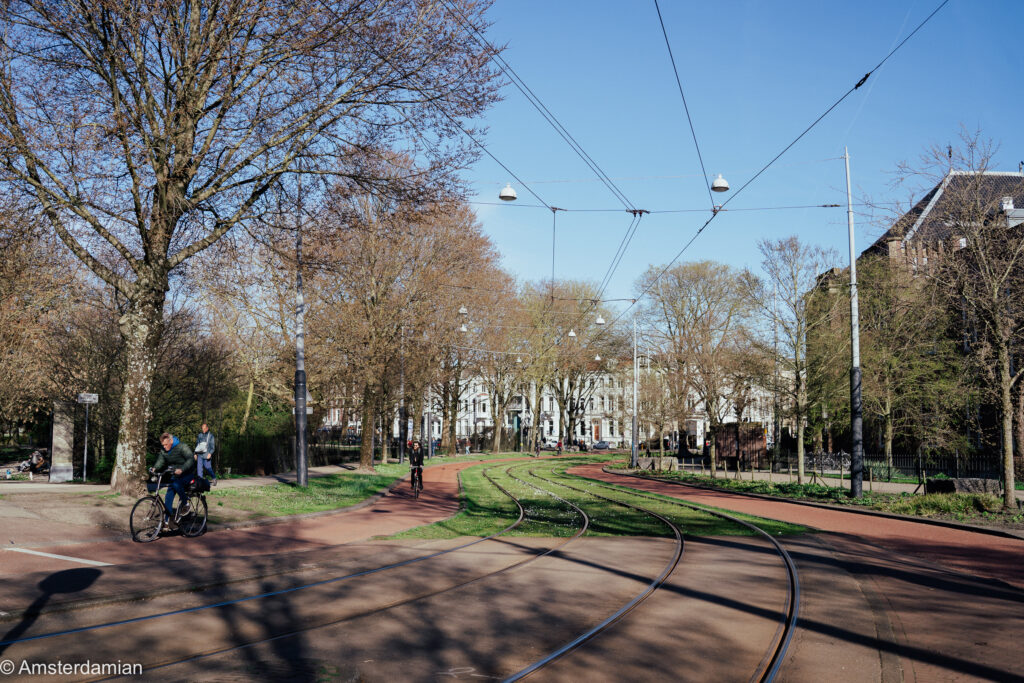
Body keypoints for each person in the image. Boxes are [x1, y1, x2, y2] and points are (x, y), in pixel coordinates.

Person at [153, 432, 196, 523]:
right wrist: (155, 468)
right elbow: (161, 460)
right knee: (168, 496)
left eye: (166, 444)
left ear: (171, 441)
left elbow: (191, 459)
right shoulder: (164, 450)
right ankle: (166, 521)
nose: (164, 447)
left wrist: (182, 469)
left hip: (187, 473)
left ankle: (186, 504)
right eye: (163, 445)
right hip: (175, 474)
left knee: (176, 484)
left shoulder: (182, 447)